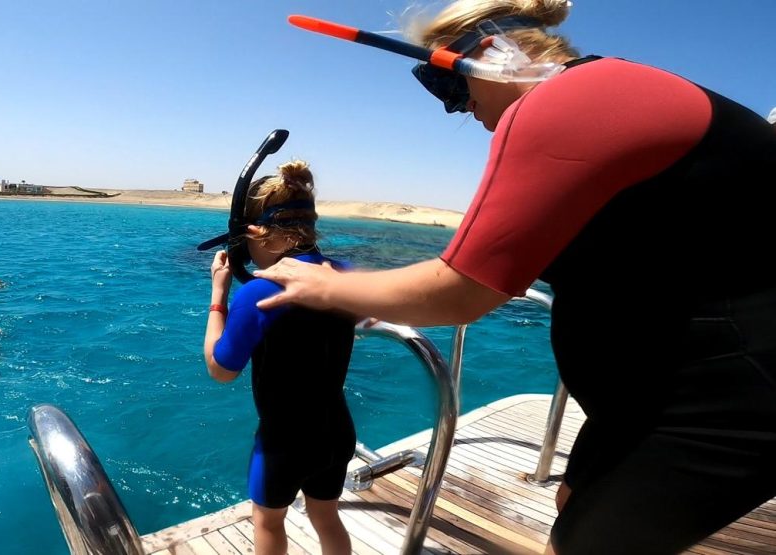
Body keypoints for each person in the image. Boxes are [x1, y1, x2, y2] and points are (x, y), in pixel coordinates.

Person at [256, 1, 776, 553]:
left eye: (449, 86)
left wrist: (324, 287)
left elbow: (460, 291)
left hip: (727, 394)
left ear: (493, 54)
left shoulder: (567, 101)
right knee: (570, 503)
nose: (456, 108)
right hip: (650, 389)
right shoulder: (605, 90)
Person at [201, 159, 356, 555]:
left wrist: (219, 296)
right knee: (326, 516)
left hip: (284, 440)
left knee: (268, 522)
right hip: (336, 429)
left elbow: (221, 369)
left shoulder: (259, 292)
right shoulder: (347, 275)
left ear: (258, 232)